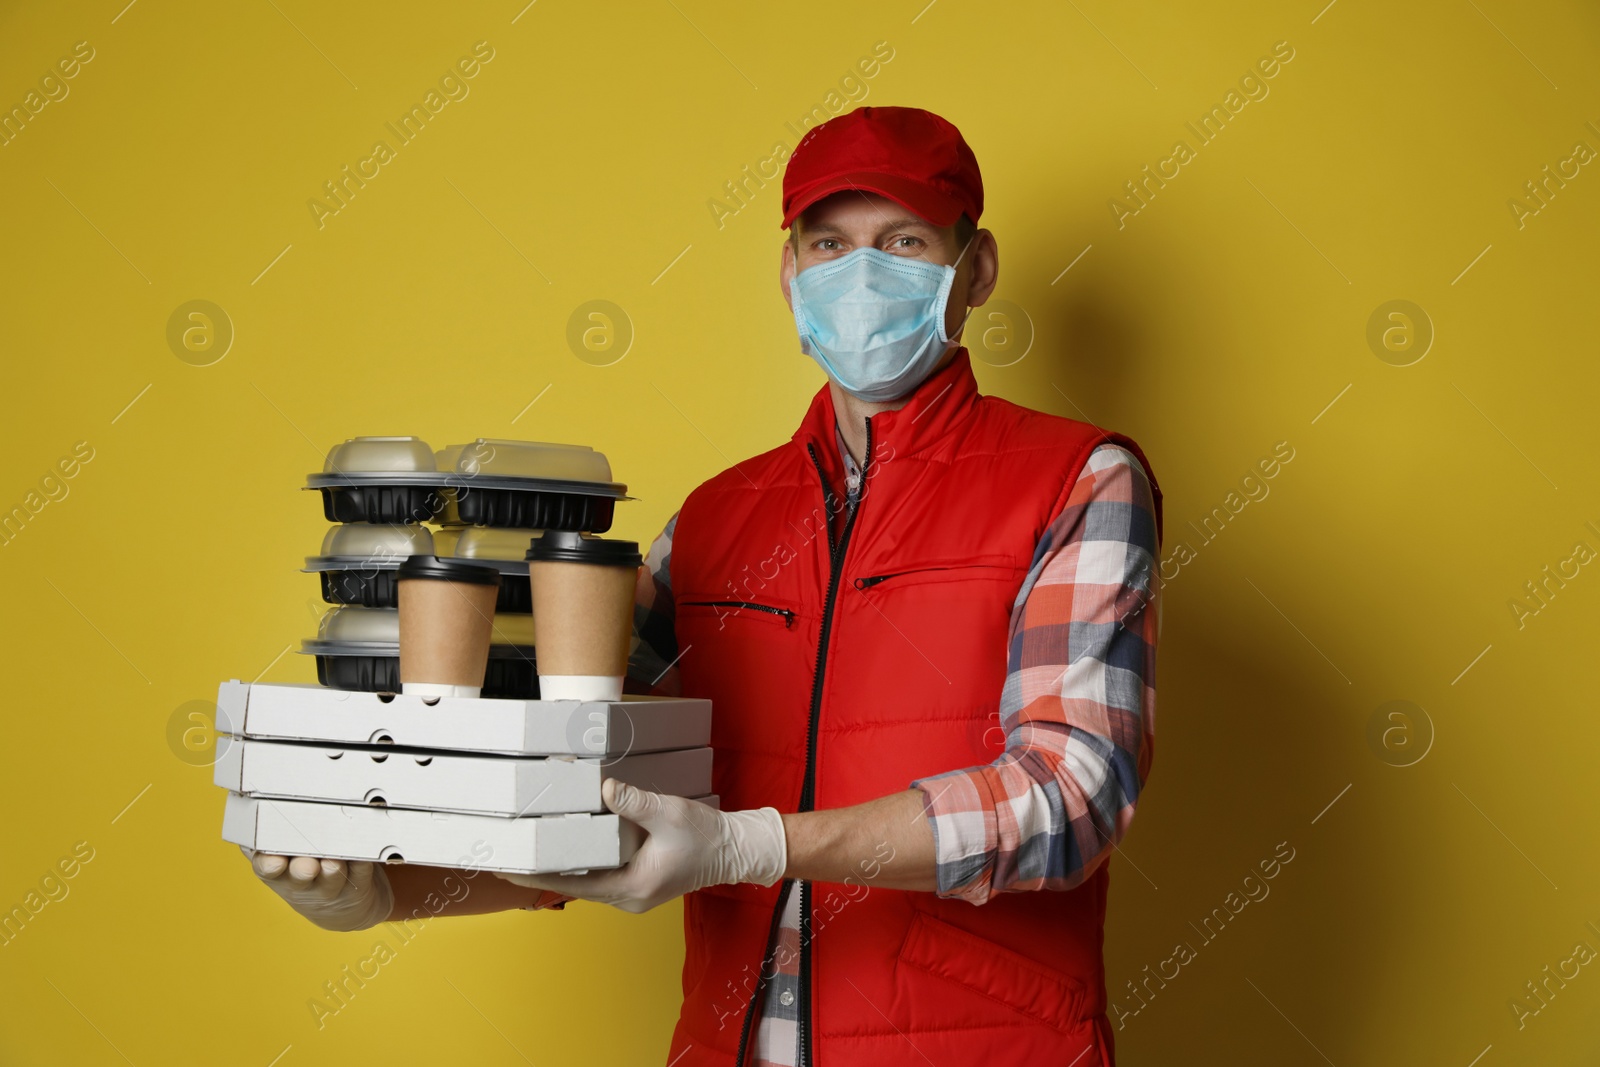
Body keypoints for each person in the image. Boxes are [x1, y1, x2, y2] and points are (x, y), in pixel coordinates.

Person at [241, 105, 1164, 1067]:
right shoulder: (719, 519)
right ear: (790, 275)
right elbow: (586, 791)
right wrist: (386, 889)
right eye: (829, 243)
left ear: (973, 270)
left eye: (902, 241)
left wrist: (756, 846)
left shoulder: (1074, 481)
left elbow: (1073, 795)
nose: (860, 273)